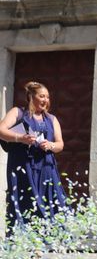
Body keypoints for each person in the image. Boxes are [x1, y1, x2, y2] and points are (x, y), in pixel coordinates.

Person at [0, 81, 66, 234]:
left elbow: (60, 144)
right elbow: (1, 129)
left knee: (47, 202)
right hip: (23, 167)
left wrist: (50, 145)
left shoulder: (52, 119)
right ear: (31, 96)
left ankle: (46, 240)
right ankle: (22, 241)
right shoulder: (17, 112)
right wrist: (20, 138)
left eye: (48, 97)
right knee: (25, 201)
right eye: (42, 96)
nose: (46, 100)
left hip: (46, 168)